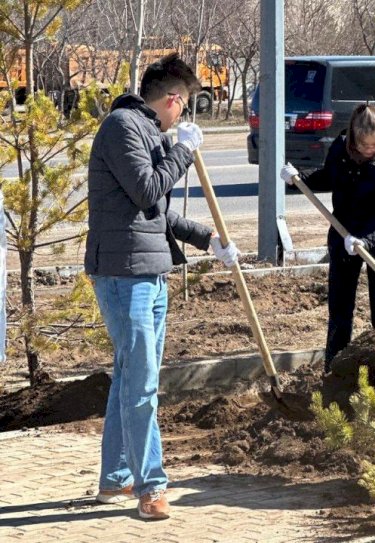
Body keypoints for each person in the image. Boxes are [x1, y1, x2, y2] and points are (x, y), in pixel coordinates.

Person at [85, 53, 239, 520]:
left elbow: (153, 215)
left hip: (149, 269)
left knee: (131, 377)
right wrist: (183, 152)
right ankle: (151, 487)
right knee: (143, 382)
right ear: (173, 99)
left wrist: (205, 239)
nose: (183, 114)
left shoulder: (148, 132)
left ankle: (116, 475)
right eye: (185, 104)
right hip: (123, 273)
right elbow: (148, 190)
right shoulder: (121, 127)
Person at [280, 104, 375, 373]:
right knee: (340, 308)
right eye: (364, 145)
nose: (369, 150)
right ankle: (335, 370)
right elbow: (330, 177)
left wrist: (366, 240)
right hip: (343, 230)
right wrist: (299, 179)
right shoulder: (341, 148)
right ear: (353, 137)